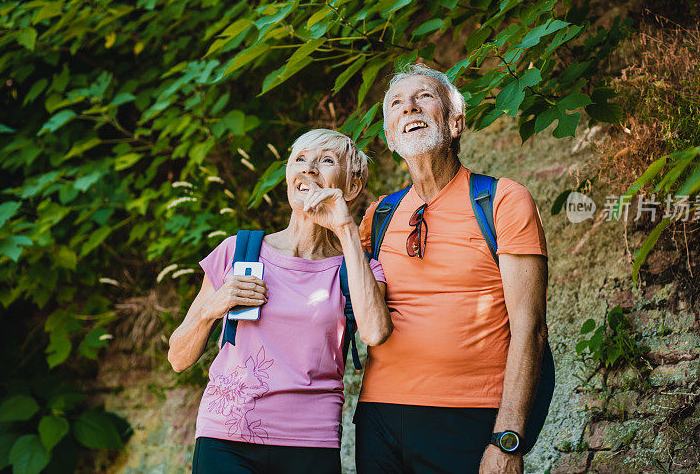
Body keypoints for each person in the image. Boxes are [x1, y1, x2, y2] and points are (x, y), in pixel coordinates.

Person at [355, 64, 549, 474]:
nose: (408, 107)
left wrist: (507, 440)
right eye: (396, 103)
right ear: (390, 138)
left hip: (472, 417)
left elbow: (530, 328)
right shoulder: (378, 217)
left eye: (424, 97)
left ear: (456, 122)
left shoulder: (502, 201)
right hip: (379, 419)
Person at [168, 129, 392, 474]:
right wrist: (212, 309)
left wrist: (346, 229)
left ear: (352, 187)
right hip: (227, 438)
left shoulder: (359, 269)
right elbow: (178, 358)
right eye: (299, 160)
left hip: (311, 442)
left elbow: (376, 332)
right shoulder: (237, 251)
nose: (309, 169)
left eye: (326, 161)